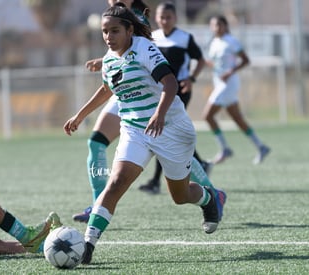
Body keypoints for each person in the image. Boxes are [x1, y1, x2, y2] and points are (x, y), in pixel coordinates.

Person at [64, 3, 221, 264]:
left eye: (114, 31)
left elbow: (170, 83)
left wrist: (159, 114)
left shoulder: (144, 48)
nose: (108, 37)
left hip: (171, 128)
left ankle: (207, 198)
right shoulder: (110, 59)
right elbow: (107, 89)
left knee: (180, 197)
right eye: (105, 32)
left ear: (129, 30)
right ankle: (88, 244)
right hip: (135, 130)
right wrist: (80, 115)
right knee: (116, 182)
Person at [72, 0, 150, 223]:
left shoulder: (136, 17)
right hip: (122, 90)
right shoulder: (114, 15)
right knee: (96, 143)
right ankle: (98, 204)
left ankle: (212, 194)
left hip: (145, 94)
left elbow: (138, 52)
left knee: (171, 154)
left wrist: (103, 59)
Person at [139, 1, 210, 194]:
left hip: (180, 90)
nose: (165, 20)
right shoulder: (152, 37)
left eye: (168, 17)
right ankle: (201, 164)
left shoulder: (184, 38)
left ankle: (155, 181)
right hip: (158, 92)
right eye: (161, 17)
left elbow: (201, 60)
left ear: (175, 18)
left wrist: (192, 78)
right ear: (156, 18)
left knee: (164, 132)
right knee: (170, 133)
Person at [204, 15, 271, 164]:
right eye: (214, 25)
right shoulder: (214, 42)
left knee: (207, 116)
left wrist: (229, 72)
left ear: (225, 26)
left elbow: (246, 60)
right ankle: (261, 147)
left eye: (220, 25)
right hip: (219, 83)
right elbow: (214, 64)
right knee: (237, 118)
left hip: (229, 84)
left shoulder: (231, 41)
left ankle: (224, 149)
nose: (217, 28)